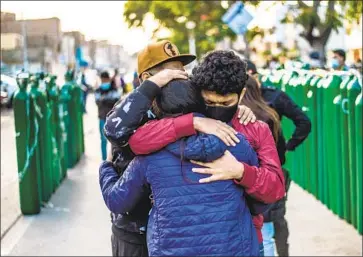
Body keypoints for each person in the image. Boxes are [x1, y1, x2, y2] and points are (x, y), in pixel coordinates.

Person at [117, 50, 286, 256]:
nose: (217, 110)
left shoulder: (254, 128)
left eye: (226, 104)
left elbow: (276, 188)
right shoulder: (186, 118)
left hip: (243, 241)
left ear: (241, 95)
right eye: (209, 102)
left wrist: (241, 172)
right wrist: (191, 122)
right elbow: (138, 141)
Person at [100, 79, 262, 256]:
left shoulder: (149, 156)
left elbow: (117, 201)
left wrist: (106, 167)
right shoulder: (236, 142)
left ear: (159, 110)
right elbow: (260, 197)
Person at [246, 60, 312, 256]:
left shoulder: (267, 100)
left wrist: (289, 146)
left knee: (270, 223)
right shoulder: (269, 101)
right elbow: (303, 122)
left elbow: (303, 122)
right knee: (272, 222)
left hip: (258, 172)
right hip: (265, 171)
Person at [95, 71, 121, 160]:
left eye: (106, 79)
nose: (104, 81)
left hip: (113, 118)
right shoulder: (98, 90)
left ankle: (113, 159)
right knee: (103, 140)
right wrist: (108, 99)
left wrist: (104, 99)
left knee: (114, 140)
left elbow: (117, 101)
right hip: (102, 118)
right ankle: (104, 160)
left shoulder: (113, 89)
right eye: (103, 80)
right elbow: (98, 102)